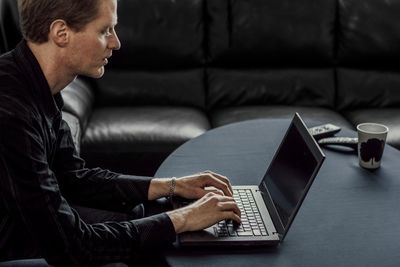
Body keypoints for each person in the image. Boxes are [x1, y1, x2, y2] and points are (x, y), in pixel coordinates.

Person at [0, 0, 241, 266]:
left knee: (143, 217)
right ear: (61, 33)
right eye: (105, 31)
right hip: (12, 244)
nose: (116, 43)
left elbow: (73, 178)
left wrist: (173, 186)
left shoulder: (36, 85)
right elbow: (71, 247)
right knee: (155, 238)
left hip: (27, 224)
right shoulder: (11, 114)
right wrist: (184, 218)